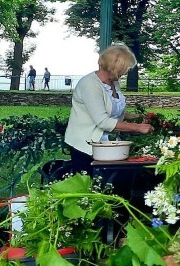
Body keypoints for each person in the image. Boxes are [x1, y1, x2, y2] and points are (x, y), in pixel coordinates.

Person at [64, 44, 155, 174]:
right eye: (126, 68)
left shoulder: (113, 82)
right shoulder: (89, 84)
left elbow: (111, 109)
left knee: (111, 183)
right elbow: (103, 121)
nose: (127, 71)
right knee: (89, 188)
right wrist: (137, 127)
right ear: (115, 67)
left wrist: (135, 117)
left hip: (108, 146)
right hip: (86, 145)